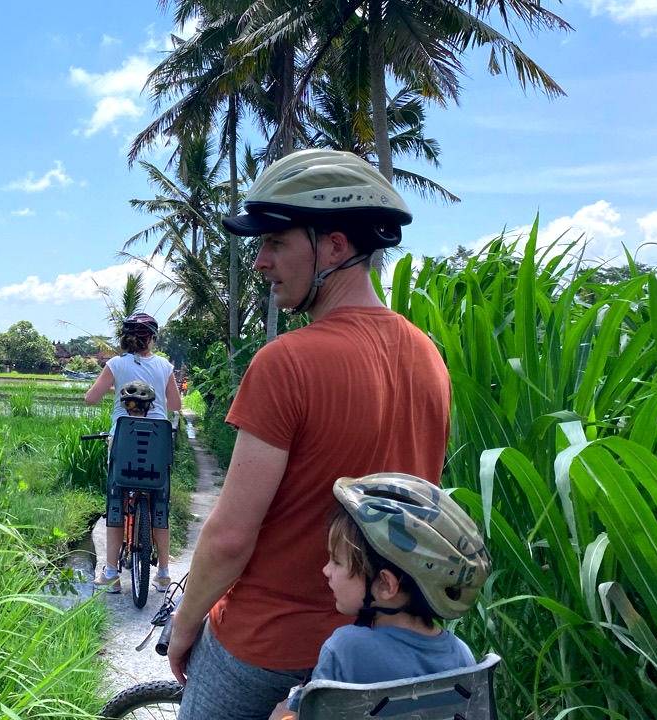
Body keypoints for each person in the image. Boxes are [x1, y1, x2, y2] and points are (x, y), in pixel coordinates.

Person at [167, 148, 452, 720]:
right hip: (379, 656)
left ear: (336, 246)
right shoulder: (429, 359)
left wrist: (185, 623)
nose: (260, 262)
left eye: (276, 243)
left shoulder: (287, 361)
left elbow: (229, 537)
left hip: (267, 645)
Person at [271, 473, 490, 719]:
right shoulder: (461, 656)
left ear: (386, 585)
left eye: (336, 561)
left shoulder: (344, 650)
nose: (326, 570)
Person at [85, 312, 183, 594]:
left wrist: (117, 387)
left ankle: (112, 574)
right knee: (160, 506)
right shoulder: (165, 365)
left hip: (123, 442)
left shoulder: (115, 364)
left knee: (116, 504)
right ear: (152, 337)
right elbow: (175, 405)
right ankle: (163, 573)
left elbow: (90, 399)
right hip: (158, 444)